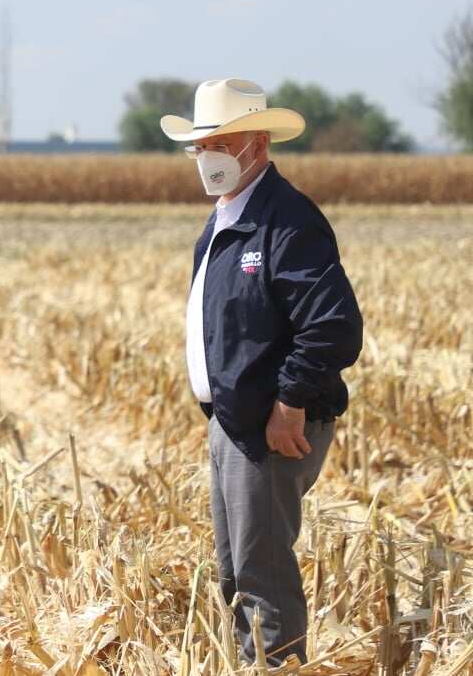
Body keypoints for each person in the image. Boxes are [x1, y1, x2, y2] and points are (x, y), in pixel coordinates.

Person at [161, 78, 363, 665]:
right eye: (201, 146)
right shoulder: (226, 218)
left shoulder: (287, 220)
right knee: (237, 572)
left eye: (220, 142)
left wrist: (291, 401)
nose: (208, 156)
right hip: (233, 420)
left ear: (257, 143)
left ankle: (279, 665)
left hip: (274, 425)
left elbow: (333, 325)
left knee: (263, 571)